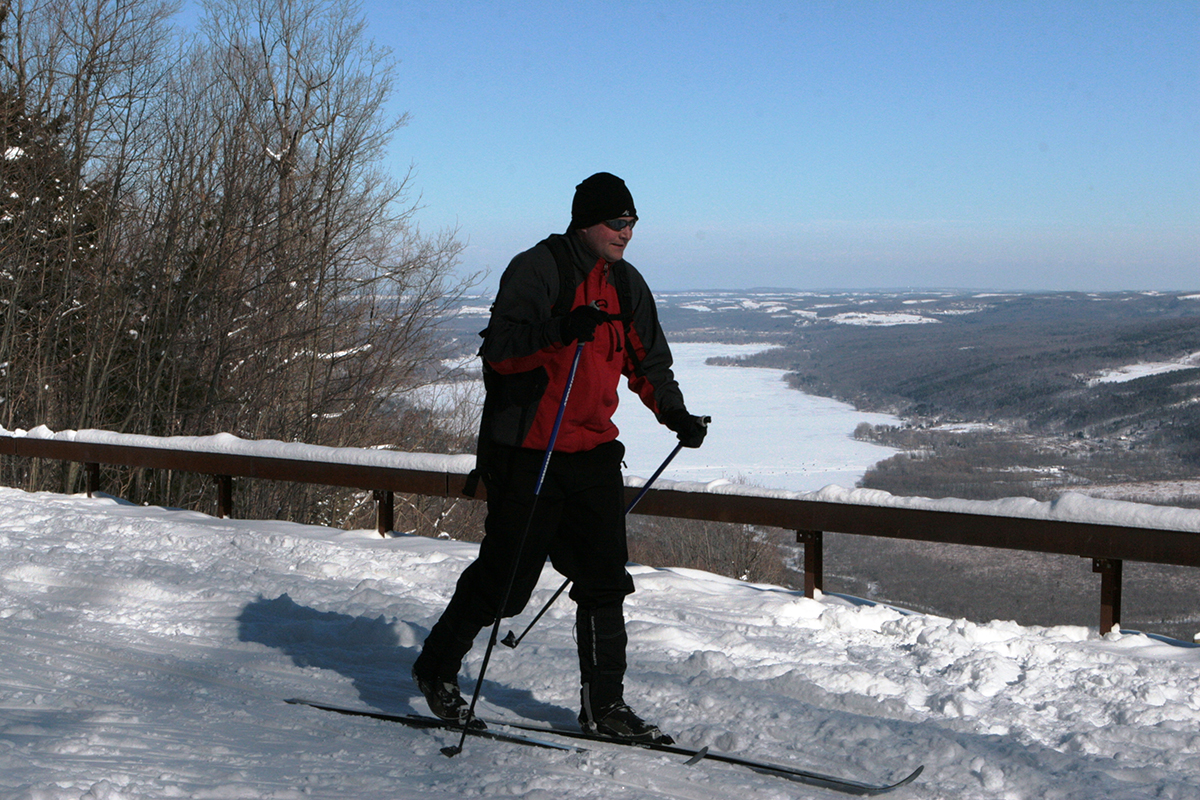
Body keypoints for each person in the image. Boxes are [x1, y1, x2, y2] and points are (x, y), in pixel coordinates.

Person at [412, 172, 707, 744]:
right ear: (587, 222)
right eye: (617, 222)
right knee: (505, 585)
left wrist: (677, 416)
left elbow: (649, 366)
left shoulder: (627, 286)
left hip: (593, 454)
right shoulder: (539, 269)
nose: (627, 232)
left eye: (633, 223)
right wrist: (559, 331)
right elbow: (500, 351)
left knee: (603, 582)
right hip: (529, 453)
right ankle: (436, 670)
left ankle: (606, 706)